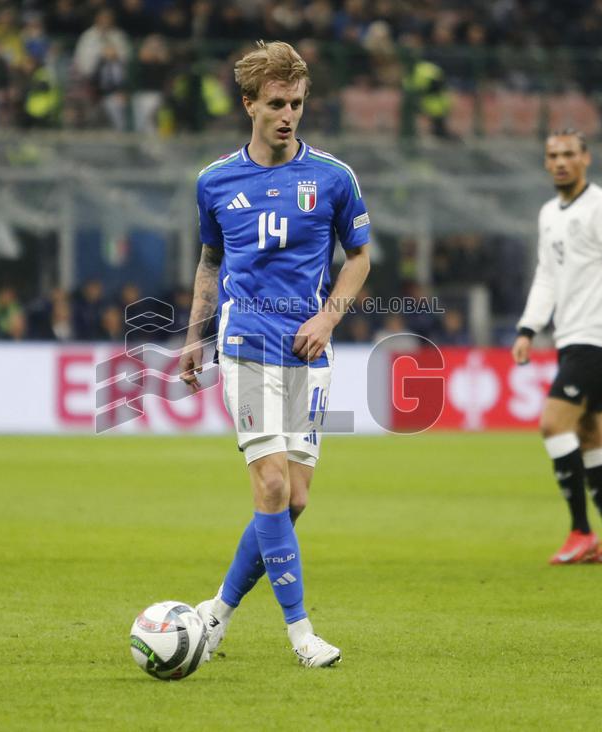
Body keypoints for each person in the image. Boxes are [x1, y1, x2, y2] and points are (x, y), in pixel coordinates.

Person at [178, 40, 371, 667]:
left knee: (294, 500)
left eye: (296, 103)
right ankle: (302, 636)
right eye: (276, 104)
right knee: (268, 483)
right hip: (247, 345)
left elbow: (359, 258)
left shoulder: (334, 178)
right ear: (249, 106)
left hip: (310, 352)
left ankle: (215, 614)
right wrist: (194, 337)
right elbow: (210, 262)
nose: (288, 115)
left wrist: (330, 315)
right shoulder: (215, 181)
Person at [511, 129, 602, 566]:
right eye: (553, 155)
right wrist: (529, 327)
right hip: (572, 336)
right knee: (592, 436)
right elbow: (547, 276)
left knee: (554, 424)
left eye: (569, 154)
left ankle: (581, 531)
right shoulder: (549, 213)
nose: (560, 162)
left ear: (586, 158)